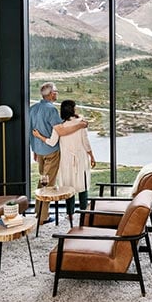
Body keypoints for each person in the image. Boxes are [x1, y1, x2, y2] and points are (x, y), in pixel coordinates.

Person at [29, 82, 87, 224]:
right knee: (48, 184)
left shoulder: (33, 108)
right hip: (51, 152)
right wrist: (80, 124)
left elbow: (30, 131)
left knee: (42, 181)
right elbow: (60, 131)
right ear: (51, 94)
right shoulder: (51, 110)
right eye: (56, 91)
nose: (57, 93)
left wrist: (34, 149)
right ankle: (43, 217)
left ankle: (38, 212)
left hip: (39, 151)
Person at [33, 99, 95, 219]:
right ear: (72, 109)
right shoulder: (81, 123)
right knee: (83, 185)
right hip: (81, 157)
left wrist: (39, 136)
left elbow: (51, 142)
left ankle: (70, 214)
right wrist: (91, 155)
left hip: (66, 160)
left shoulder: (59, 126)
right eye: (75, 107)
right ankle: (84, 214)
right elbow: (86, 142)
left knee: (68, 185)